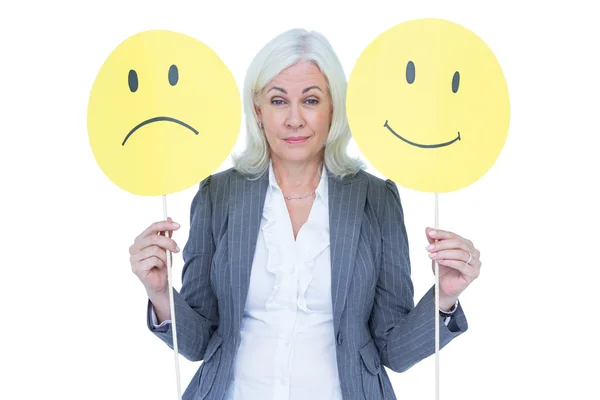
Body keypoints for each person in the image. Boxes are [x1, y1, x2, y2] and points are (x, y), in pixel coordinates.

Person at [129, 28, 481, 400]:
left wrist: (443, 298)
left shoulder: (375, 198)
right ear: (258, 109)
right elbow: (200, 343)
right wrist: (159, 293)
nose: (294, 119)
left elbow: (393, 349)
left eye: (310, 100)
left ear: (333, 108)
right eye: (279, 101)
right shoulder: (218, 194)